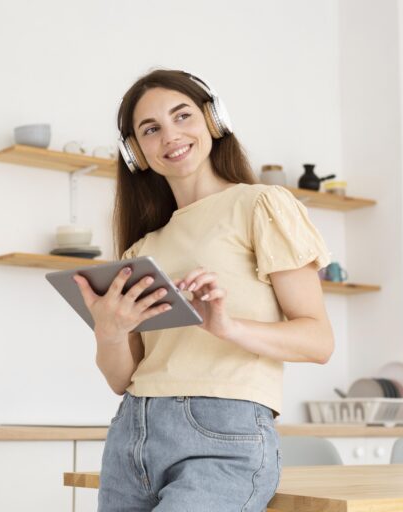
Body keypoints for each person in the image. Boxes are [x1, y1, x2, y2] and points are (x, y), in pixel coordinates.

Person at [72, 69, 335, 511]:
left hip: (224, 432)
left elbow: (319, 341)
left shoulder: (261, 205)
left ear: (214, 120)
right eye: (151, 129)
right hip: (132, 433)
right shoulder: (143, 247)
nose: (170, 135)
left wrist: (228, 326)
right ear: (135, 151)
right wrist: (110, 330)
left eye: (183, 116)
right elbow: (123, 378)